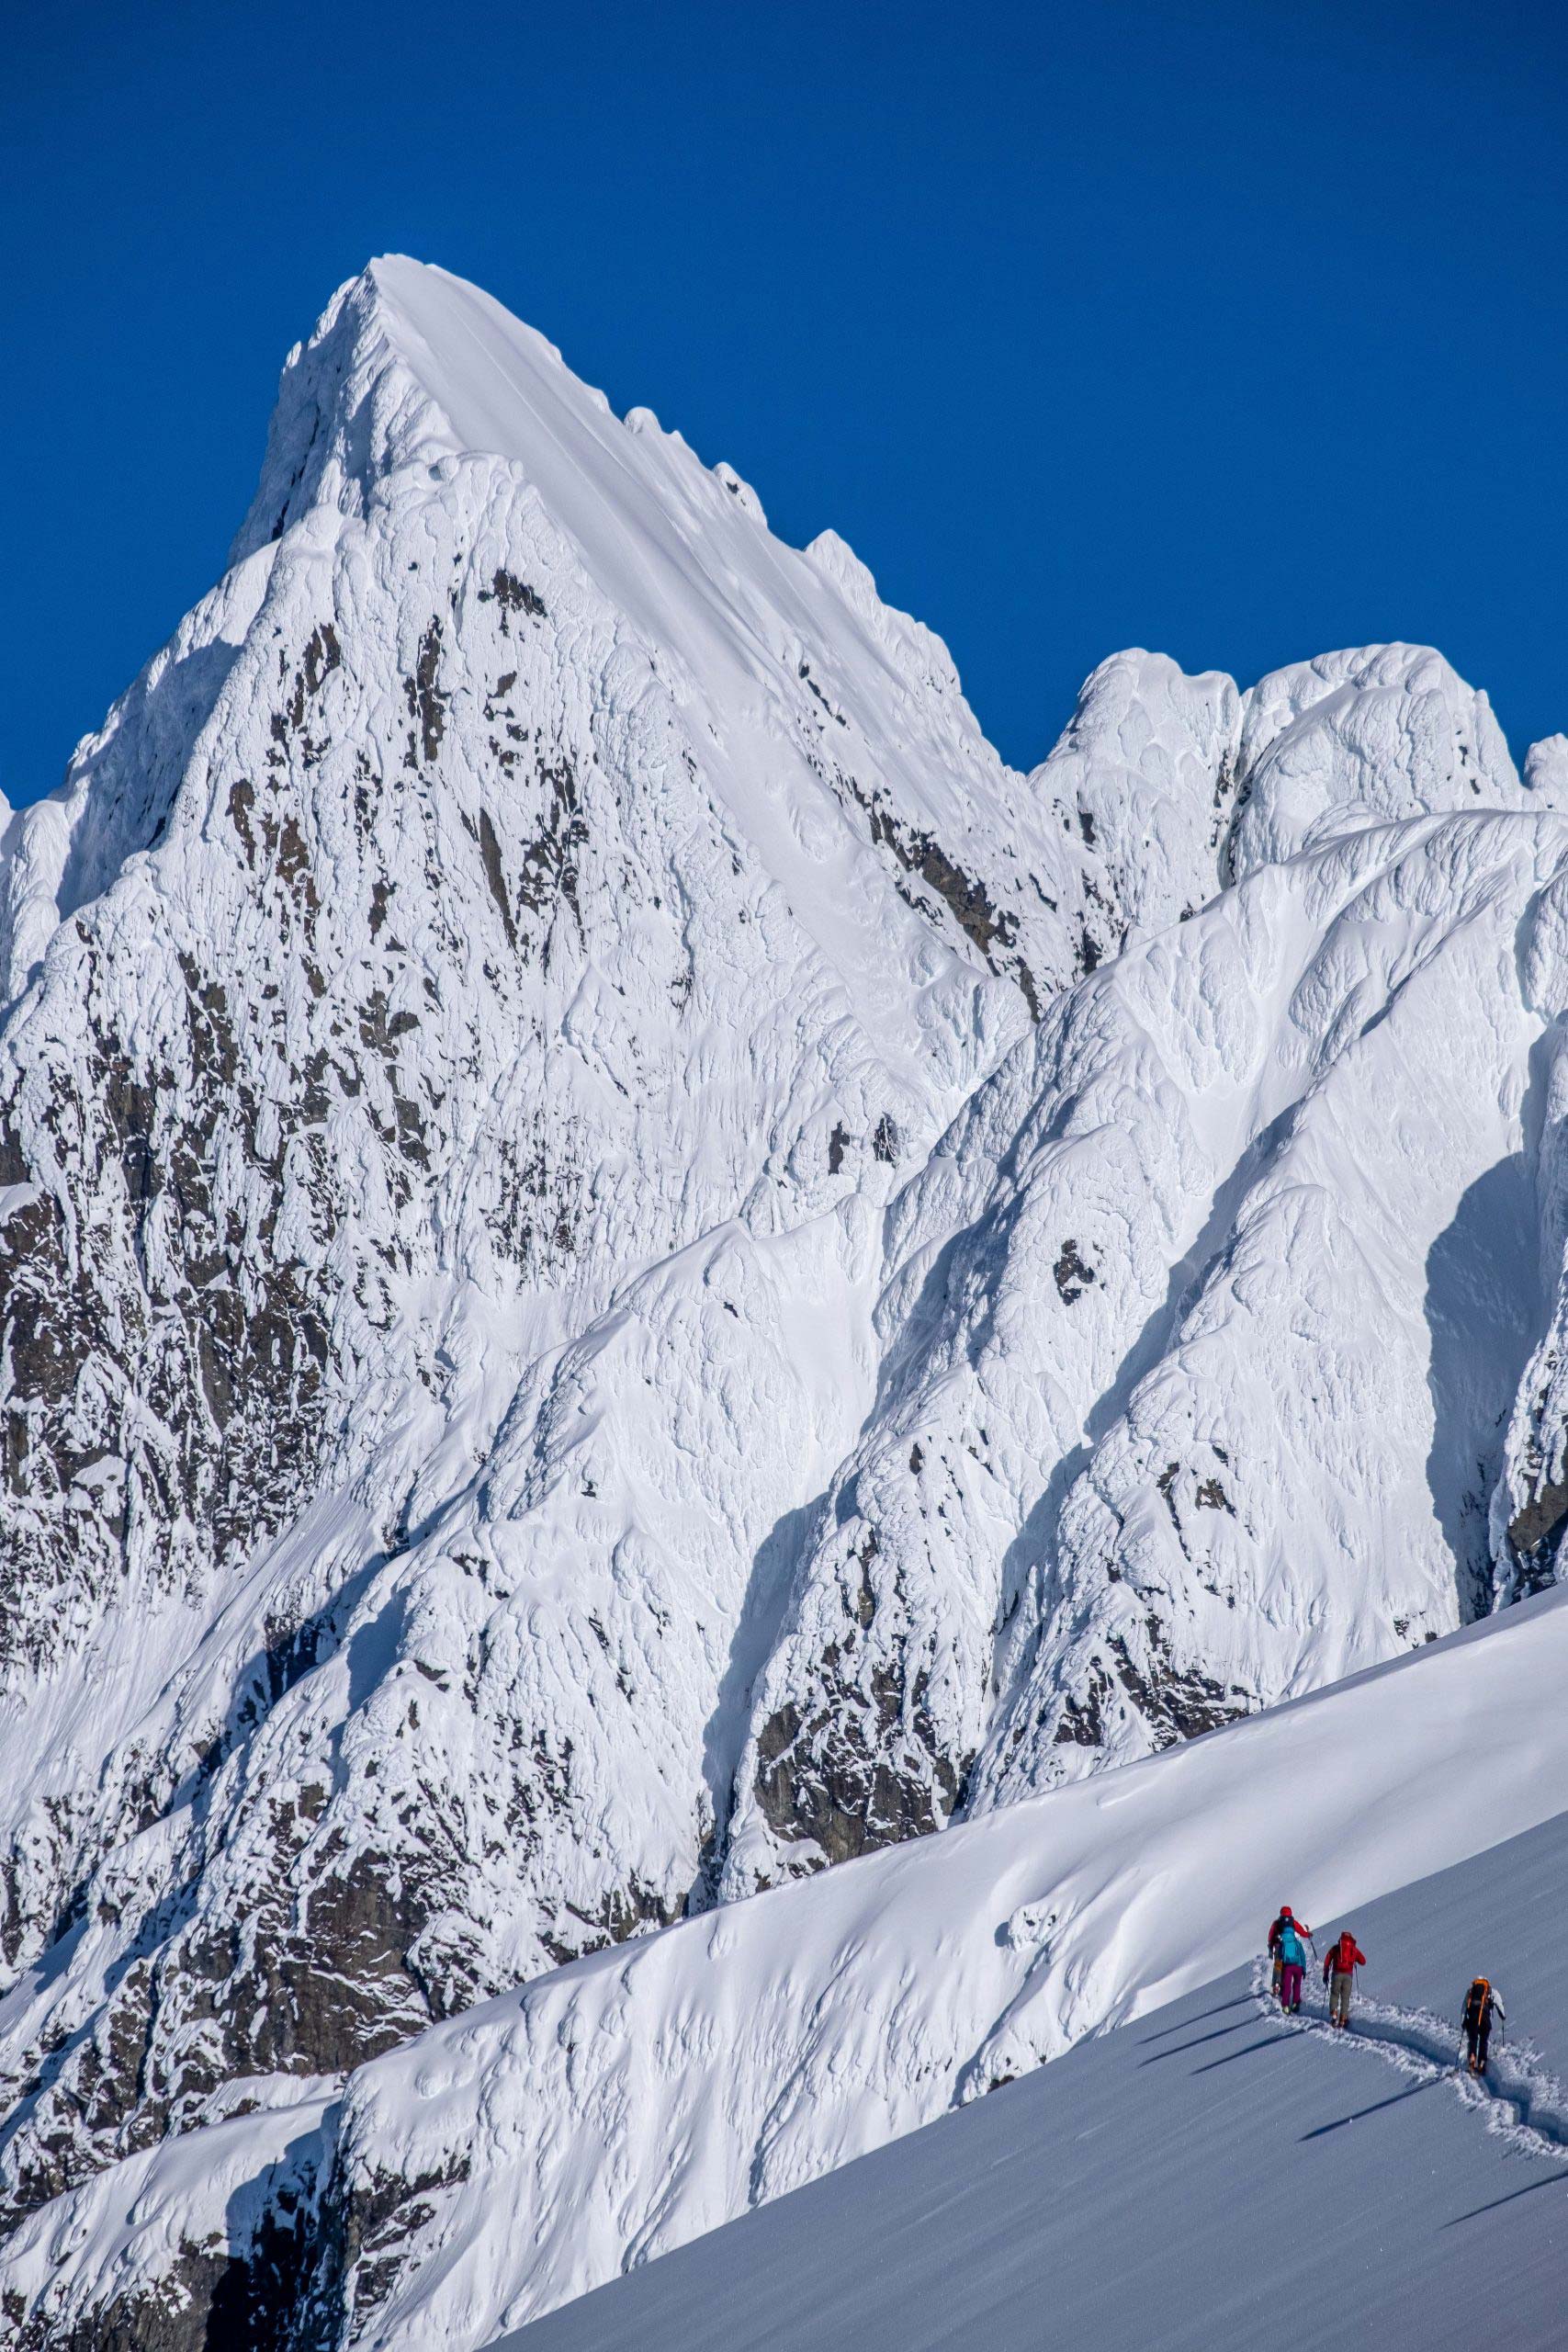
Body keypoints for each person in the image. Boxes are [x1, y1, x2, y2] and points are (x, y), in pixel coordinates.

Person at [1322, 1928, 1367, 2029]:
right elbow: (1363, 1961)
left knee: (1334, 1994)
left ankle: (1334, 2013)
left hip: (1336, 1974)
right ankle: (1343, 2019)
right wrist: (1354, 1959)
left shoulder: (1336, 1948)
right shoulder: (1353, 1949)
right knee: (1345, 1997)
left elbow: (1327, 1961)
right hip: (1348, 1976)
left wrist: (1325, 1975)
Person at [1461, 1977, 1504, 2073]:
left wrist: (1463, 2022)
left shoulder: (1470, 1991)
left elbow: (1464, 2008)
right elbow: (1500, 2005)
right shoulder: (1492, 1991)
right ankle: (1482, 2062)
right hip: (1485, 2019)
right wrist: (1503, 2016)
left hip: (1472, 2018)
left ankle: (1472, 2058)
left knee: (1473, 2039)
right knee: (1483, 2040)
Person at [1269, 1905, 1311, 2002]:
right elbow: (1302, 1932)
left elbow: (1270, 1936)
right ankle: (1286, 1988)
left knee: (1278, 1965)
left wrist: (1271, 1945)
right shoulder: (1293, 1922)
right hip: (1290, 1947)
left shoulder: (1276, 1923)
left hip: (1279, 1946)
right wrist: (1308, 1934)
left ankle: (1276, 1984)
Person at [1277, 1914, 1310, 2014]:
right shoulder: (1297, 1942)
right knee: (1297, 1985)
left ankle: (1285, 2005)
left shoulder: (1282, 1941)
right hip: (1298, 1966)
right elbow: (1302, 1956)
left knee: (1287, 1986)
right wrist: (1304, 1969)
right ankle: (1295, 2003)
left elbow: (1279, 1956)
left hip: (1287, 1967)